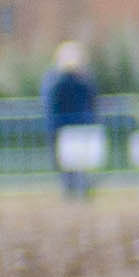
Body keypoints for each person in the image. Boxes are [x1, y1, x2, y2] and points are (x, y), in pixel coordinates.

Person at [40, 42, 102, 202]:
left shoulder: (56, 81)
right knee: (76, 164)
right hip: (76, 127)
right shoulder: (84, 80)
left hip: (66, 128)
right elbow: (92, 102)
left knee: (70, 164)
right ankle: (77, 192)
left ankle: (74, 192)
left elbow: (51, 105)